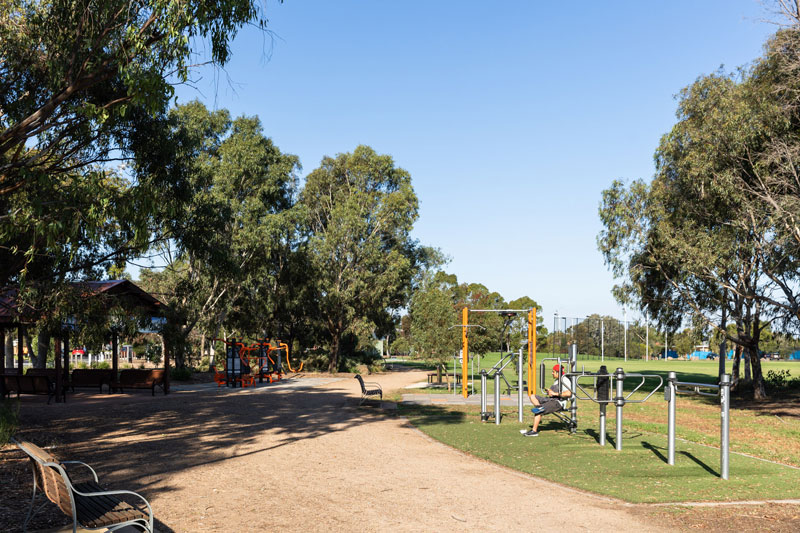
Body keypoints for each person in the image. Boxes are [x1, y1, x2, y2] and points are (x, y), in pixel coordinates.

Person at [522, 364, 572, 437]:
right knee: (532, 396)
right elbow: (554, 393)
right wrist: (550, 392)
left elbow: (569, 393)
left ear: (558, 372)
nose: (552, 373)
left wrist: (554, 393)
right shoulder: (557, 380)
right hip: (551, 399)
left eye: (553, 372)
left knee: (539, 411)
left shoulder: (564, 380)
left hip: (558, 403)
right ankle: (540, 408)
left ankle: (534, 431)